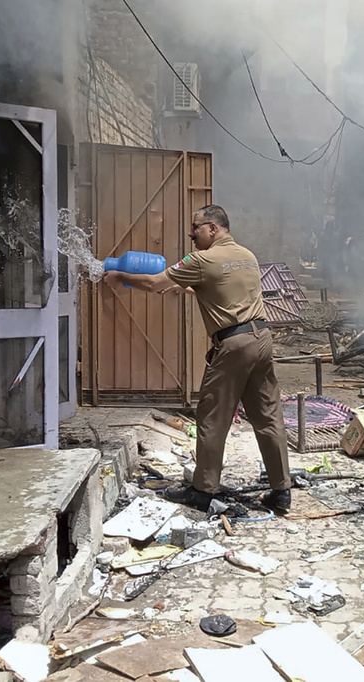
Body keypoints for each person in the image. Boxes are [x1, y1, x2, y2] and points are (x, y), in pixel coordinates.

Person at [102, 205, 292, 512]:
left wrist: (118, 275)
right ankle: (282, 491)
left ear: (213, 229)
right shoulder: (247, 256)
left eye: (196, 228)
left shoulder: (202, 259)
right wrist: (187, 289)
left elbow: (153, 283)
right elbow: (224, 288)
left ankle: (203, 491)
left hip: (234, 346)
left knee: (212, 416)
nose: (192, 234)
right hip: (262, 340)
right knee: (268, 416)